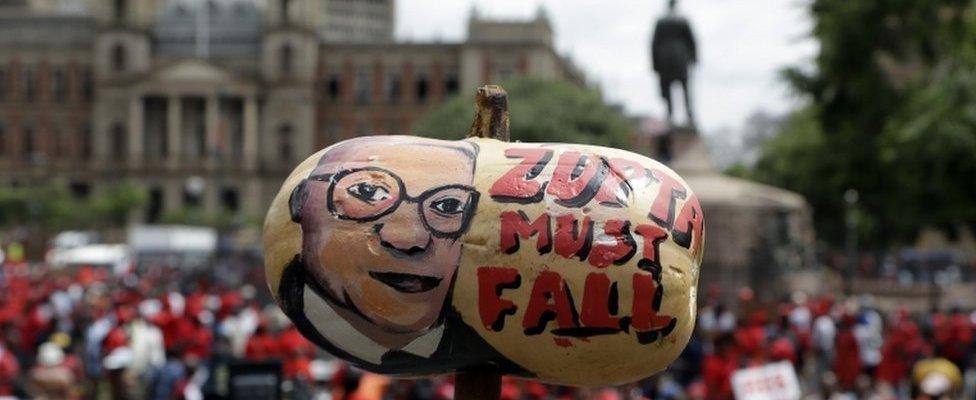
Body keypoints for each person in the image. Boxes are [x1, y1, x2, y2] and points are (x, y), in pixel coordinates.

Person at [278, 136, 524, 375]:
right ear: (301, 200)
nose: (410, 240)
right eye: (367, 192)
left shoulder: (492, 343)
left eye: (448, 206)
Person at [650, 0, 698, 128]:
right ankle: (689, 116)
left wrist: (655, 64)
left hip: (665, 60)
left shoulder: (662, 21)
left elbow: (654, 44)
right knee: (685, 89)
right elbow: (692, 41)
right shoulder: (682, 20)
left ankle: (671, 117)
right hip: (680, 59)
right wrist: (693, 58)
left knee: (670, 90)